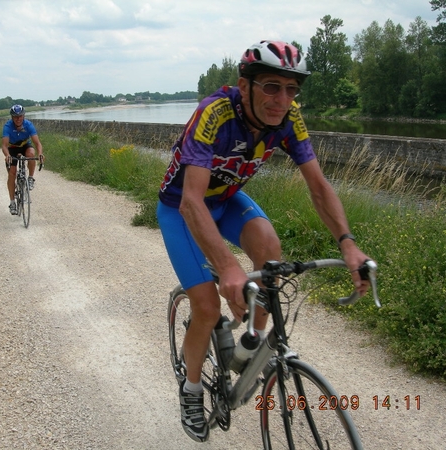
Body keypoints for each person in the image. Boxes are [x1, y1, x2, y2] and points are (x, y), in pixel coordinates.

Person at [156, 40, 373, 442]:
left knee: (270, 251)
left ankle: (251, 345)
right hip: (183, 209)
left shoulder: (290, 118)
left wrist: (347, 242)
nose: (283, 99)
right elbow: (190, 200)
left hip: (226, 200)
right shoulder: (215, 114)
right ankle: (190, 389)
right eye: (272, 86)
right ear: (245, 86)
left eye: (292, 90)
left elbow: (319, 186)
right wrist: (227, 267)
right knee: (206, 305)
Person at [1, 104, 44, 215]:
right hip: (12, 148)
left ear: (24, 116)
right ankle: (12, 203)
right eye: (15, 117)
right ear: (12, 117)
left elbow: (37, 143)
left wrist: (40, 154)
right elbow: (4, 145)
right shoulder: (8, 126)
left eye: (20, 116)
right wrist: (7, 155)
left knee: (31, 153)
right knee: (12, 173)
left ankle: (30, 178)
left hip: (25, 145)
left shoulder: (28, 125)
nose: (18, 119)